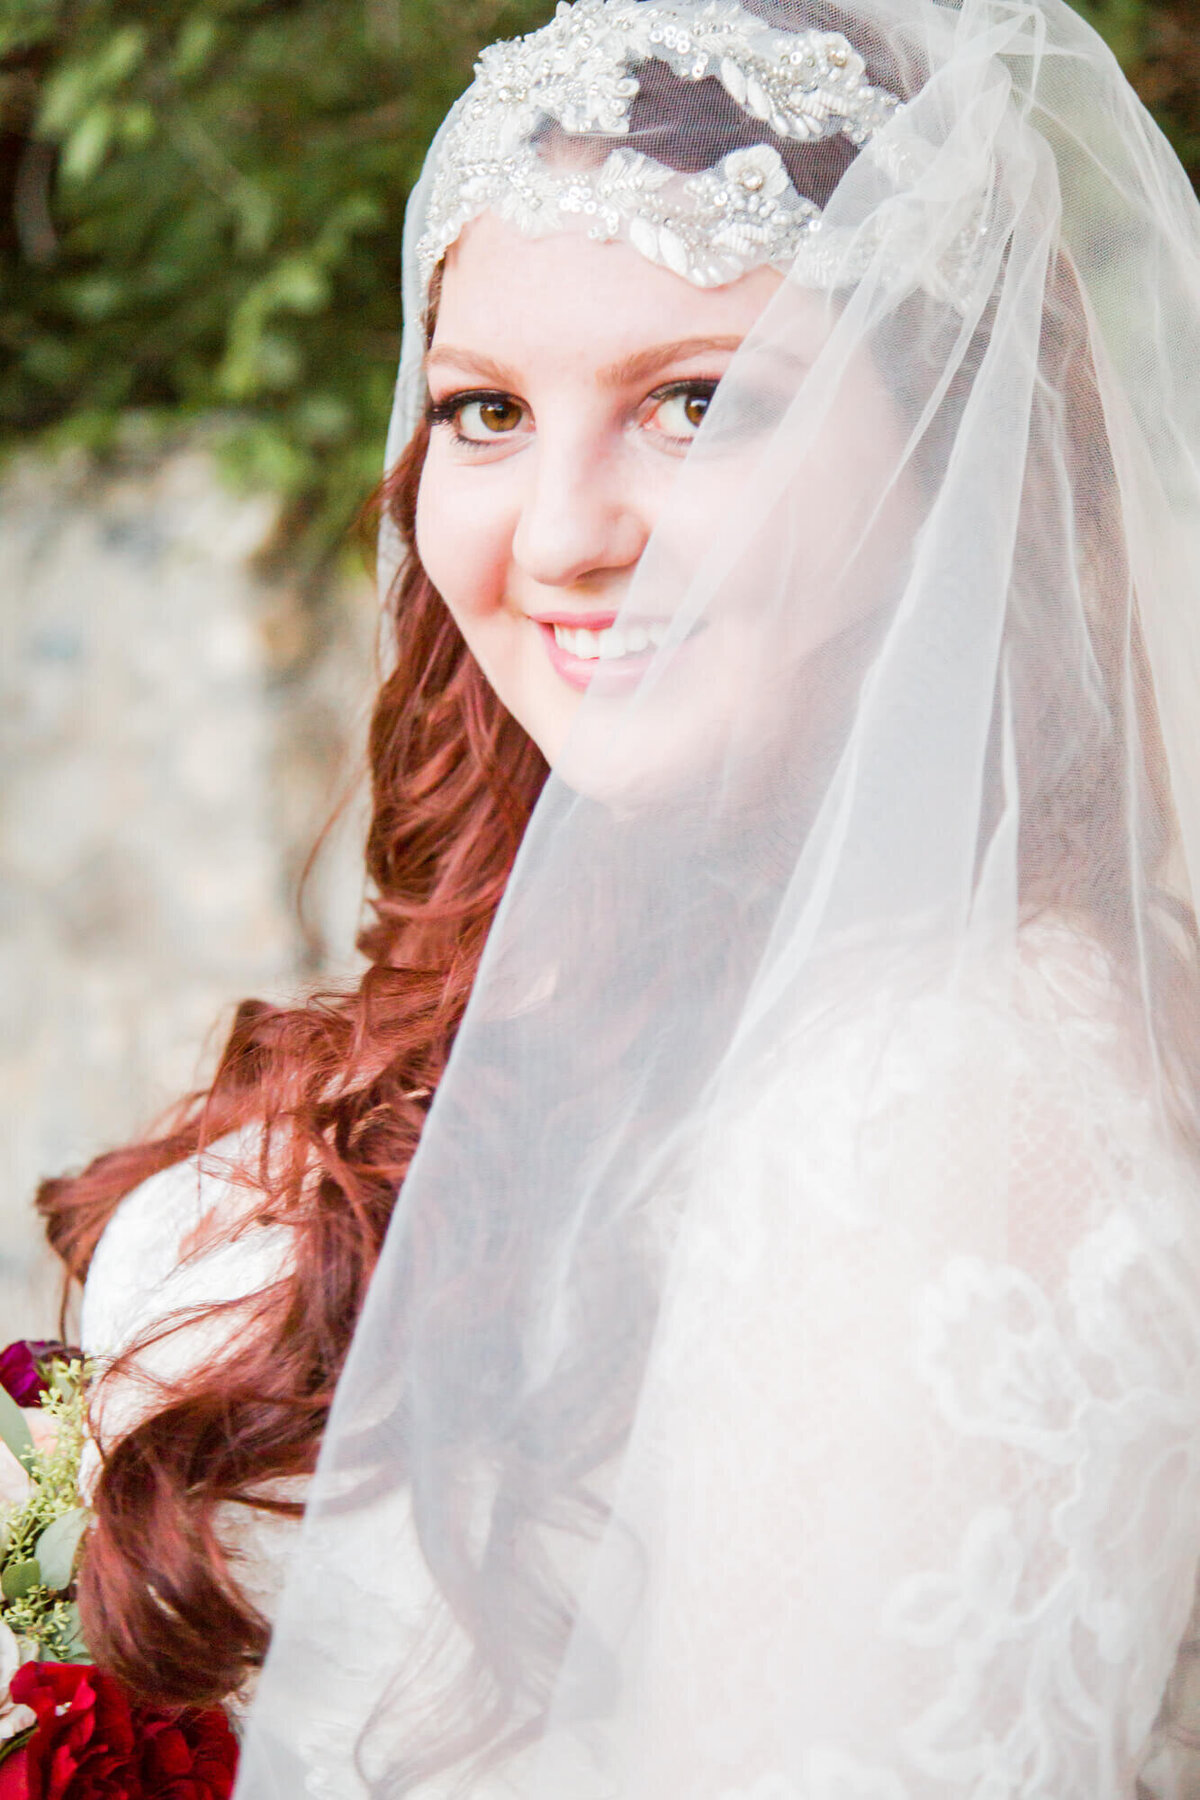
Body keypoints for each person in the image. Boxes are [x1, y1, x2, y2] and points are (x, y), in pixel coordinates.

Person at [34, 0, 1200, 1792]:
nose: (561, 531)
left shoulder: (955, 1093)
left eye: (696, 404)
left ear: (947, 457)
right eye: (486, 411)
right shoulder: (550, 964)